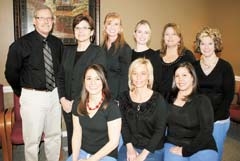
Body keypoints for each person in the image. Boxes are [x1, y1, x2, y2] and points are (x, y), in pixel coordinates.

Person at [5, 5, 63, 161]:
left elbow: (59, 71)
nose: (45, 21)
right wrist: (22, 92)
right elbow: (10, 73)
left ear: (53, 21)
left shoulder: (57, 43)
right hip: (32, 97)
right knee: (32, 140)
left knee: (54, 135)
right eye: (41, 18)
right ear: (34, 21)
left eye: (49, 18)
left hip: (54, 95)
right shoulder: (20, 44)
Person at [57, 13, 106, 156]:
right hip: (67, 105)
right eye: (77, 28)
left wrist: (76, 102)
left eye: (85, 28)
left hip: (86, 105)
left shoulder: (98, 52)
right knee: (73, 138)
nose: (80, 31)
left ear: (91, 32)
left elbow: (96, 81)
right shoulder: (67, 51)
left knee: (86, 141)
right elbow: (60, 77)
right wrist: (63, 100)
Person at [193, 27, 235, 161]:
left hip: (219, 120)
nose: (206, 47)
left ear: (216, 44)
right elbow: (190, 92)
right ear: (199, 45)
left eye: (210, 43)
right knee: (198, 152)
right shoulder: (193, 66)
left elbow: (228, 97)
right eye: (203, 43)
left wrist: (212, 119)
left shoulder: (225, 67)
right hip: (198, 117)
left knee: (214, 153)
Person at [66, 64, 122, 161]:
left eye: (97, 79)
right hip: (83, 151)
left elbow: (114, 142)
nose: (92, 83)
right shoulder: (77, 103)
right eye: (89, 78)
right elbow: (76, 134)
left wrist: (91, 160)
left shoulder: (112, 107)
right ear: (84, 81)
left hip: (106, 154)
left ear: (103, 81)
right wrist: (74, 158)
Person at [164, 62, 218, 161]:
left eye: (184, 75)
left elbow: (207, 131)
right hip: (173, 143)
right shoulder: (168, 97)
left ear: (192, 77)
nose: (180, 79)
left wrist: (186, 151)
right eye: (177, 76)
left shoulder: (202, 100)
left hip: (202, 145)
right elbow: (160, 123)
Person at [118, 58, 167, 161]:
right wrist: (130, 148)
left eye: (143, 73)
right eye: (135, 73)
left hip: (152, 149)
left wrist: (142, 156)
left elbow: (159, 131)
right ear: (130, 76)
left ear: (149, 76)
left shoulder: (158, 99)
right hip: (130, 146)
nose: (138, 77)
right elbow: (124, 125)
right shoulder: (123, 97)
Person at [157, 23, 195, 99]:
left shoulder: (187, 56)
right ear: (163, 38)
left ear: (179, 38)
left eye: (174, 34)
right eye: (167, 34)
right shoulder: (156, 55)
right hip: (158, 102)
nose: (170, 37)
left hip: (178, 101)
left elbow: (193, 80)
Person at [102, 12, 132, 99]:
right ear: (105, 26)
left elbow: (125, 77)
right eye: (109, 23)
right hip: (101, 93)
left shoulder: (125, 48)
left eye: (116, 24)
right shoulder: (101, 47)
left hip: (116, 95)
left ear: (120, 28)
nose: (112, 27)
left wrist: (120, 99)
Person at [132, 19, 161, 91]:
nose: (142, 35)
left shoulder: (154, 56)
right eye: (139, 32)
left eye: (146, 32)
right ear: (134, 34)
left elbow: (157, 82)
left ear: (149, 36)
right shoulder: (128, 54)